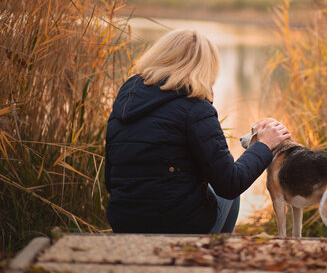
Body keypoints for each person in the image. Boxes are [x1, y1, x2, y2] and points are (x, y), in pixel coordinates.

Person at [104, 29, 290, 234]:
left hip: (123, 223)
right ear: (206, 68)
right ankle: (210, 254)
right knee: (230, 193)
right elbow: (230, 183)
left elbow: (111, 181)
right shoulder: (195, 108)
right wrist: (263, 146)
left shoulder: (127, 99)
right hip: (175, 227)